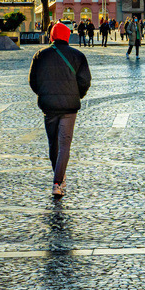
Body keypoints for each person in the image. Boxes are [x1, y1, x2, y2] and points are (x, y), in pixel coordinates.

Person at [29, 22, 91, 198]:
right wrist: (76, 94)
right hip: (69, 107)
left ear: (52, 36)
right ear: (67, 36)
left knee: (53, 144)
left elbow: (33, 81)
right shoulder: (78, 56)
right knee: (64, 144)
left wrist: (44, 93)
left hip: (49, 107)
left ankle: (59, 176)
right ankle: (58, 182)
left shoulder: (40, 55)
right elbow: (85, 81)